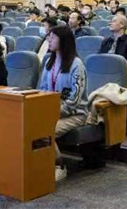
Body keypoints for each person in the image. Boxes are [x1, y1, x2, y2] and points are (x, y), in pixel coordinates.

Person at [39, 25, 88, 181]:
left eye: (53, 37)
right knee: (31, 127)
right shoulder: (49, 62)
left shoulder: (76, 64)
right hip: (52, 112)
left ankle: (59, 165)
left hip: (74, 114)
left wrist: (55, 113)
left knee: (44, 131)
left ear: (64, 41)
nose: (49, 40)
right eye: (49, 37)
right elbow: (42, 89)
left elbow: (75, 99)